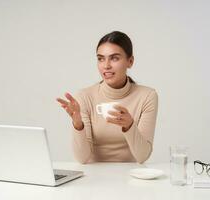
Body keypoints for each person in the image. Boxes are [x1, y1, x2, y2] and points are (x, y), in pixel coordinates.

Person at [56, 31, 158, 164]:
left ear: (130, 61)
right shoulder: (84, 97)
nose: (106, 65)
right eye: (101, 58)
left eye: (114, 58)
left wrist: (129, 126)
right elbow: (82, 159)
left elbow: (143, 156)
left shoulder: (147, 96)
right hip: (93, 178)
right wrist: (78, 124)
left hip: (130, 177)